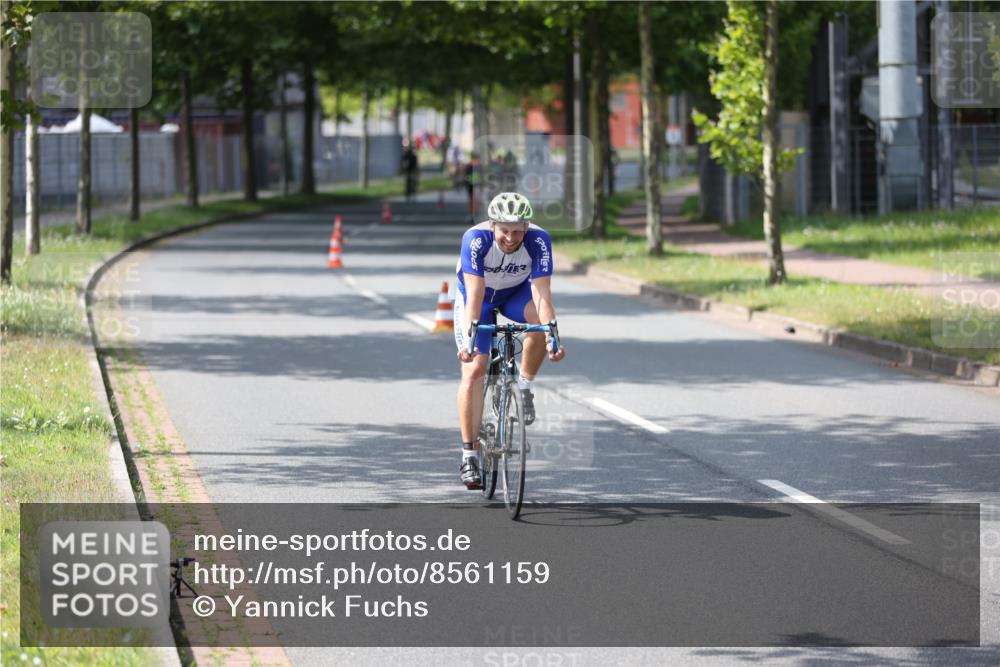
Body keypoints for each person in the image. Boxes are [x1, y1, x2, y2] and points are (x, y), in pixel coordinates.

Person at [453, 192, 566, 489]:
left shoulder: (539, 240)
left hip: (515, 294)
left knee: (540, 324)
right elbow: (475, 294)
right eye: (505, 230)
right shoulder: (475, 239)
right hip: (479, 299)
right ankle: (469, 455)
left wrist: (553, 335)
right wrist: (470, 341)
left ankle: (524, 387)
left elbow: (542, 294)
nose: (511, 238)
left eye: (517, 231)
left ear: (526, 228)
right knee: (475, 370)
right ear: (493, 226)